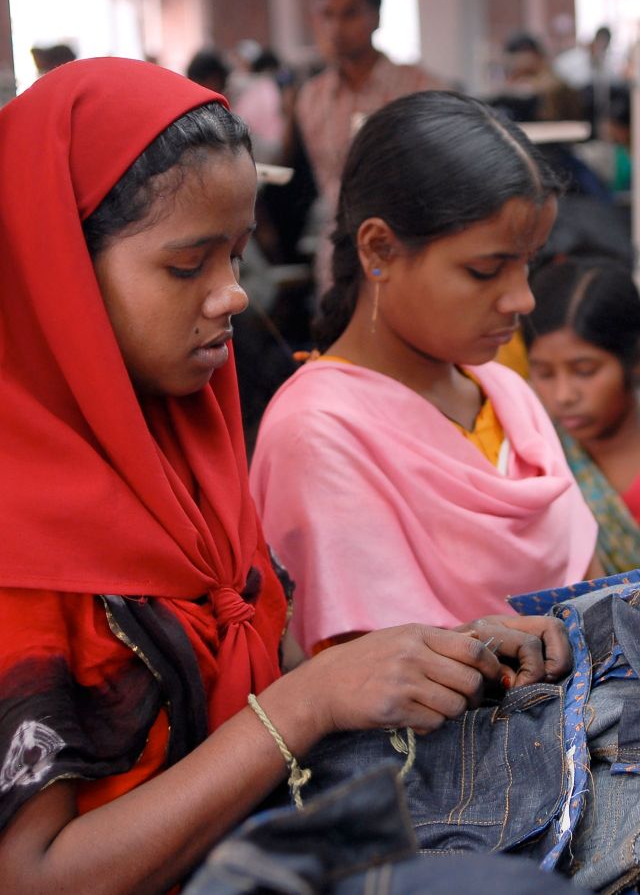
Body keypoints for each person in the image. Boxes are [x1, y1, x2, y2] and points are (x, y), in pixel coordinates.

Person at [0, 57, 571, 892]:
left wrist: (435, 656)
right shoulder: (21, 537)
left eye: (236, 256)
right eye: (187, 266)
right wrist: (309, 704)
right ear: (57, 273)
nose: (234, 295)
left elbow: (257, 665)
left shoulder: (182, 455)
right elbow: (32, 875)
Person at [250, 90, 601, 658]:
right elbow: (371, 681)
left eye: (527, 263)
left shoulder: (508, 394)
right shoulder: (318, 432)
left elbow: (591, 594)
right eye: (485, 269)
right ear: (379, 249)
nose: (522, 298)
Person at [293, 0, 444, 292]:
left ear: (376, 16)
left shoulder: (421, 88)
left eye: (350, 13)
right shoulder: (312, 98)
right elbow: (325, 181)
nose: (336, 28)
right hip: (339, 253)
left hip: (410, 246)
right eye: (327, 15)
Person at [523, 259, 640, 575]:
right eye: (544, 373)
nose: (564, 395)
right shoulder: (534, 465)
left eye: (585, 371)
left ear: (634, 359)